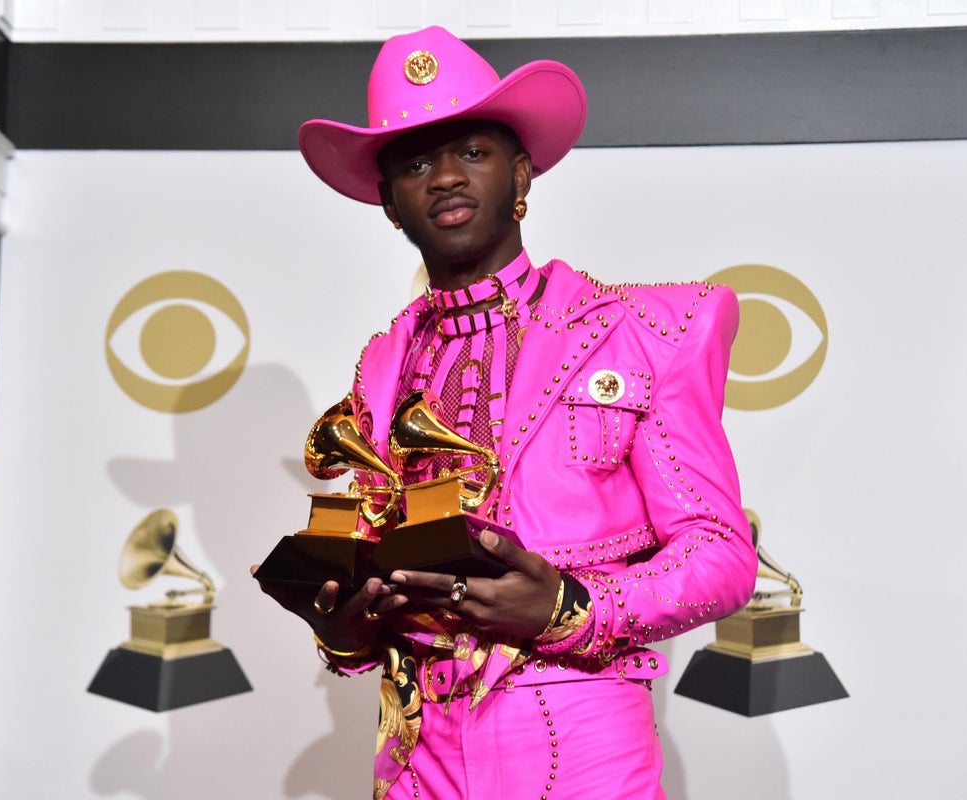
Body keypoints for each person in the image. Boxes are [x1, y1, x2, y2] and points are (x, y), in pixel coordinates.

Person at [255, 26, 757, 800]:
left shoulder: (643, 333)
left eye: (473, 152)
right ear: (390, 203)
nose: (446, 177)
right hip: (417, 748)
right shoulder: (382, 365)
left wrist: (569, 606)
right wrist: (346, 630)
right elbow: (374, 565)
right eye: (416, 164)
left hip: (579, 727)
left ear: (522, 172)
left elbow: (721, 554)